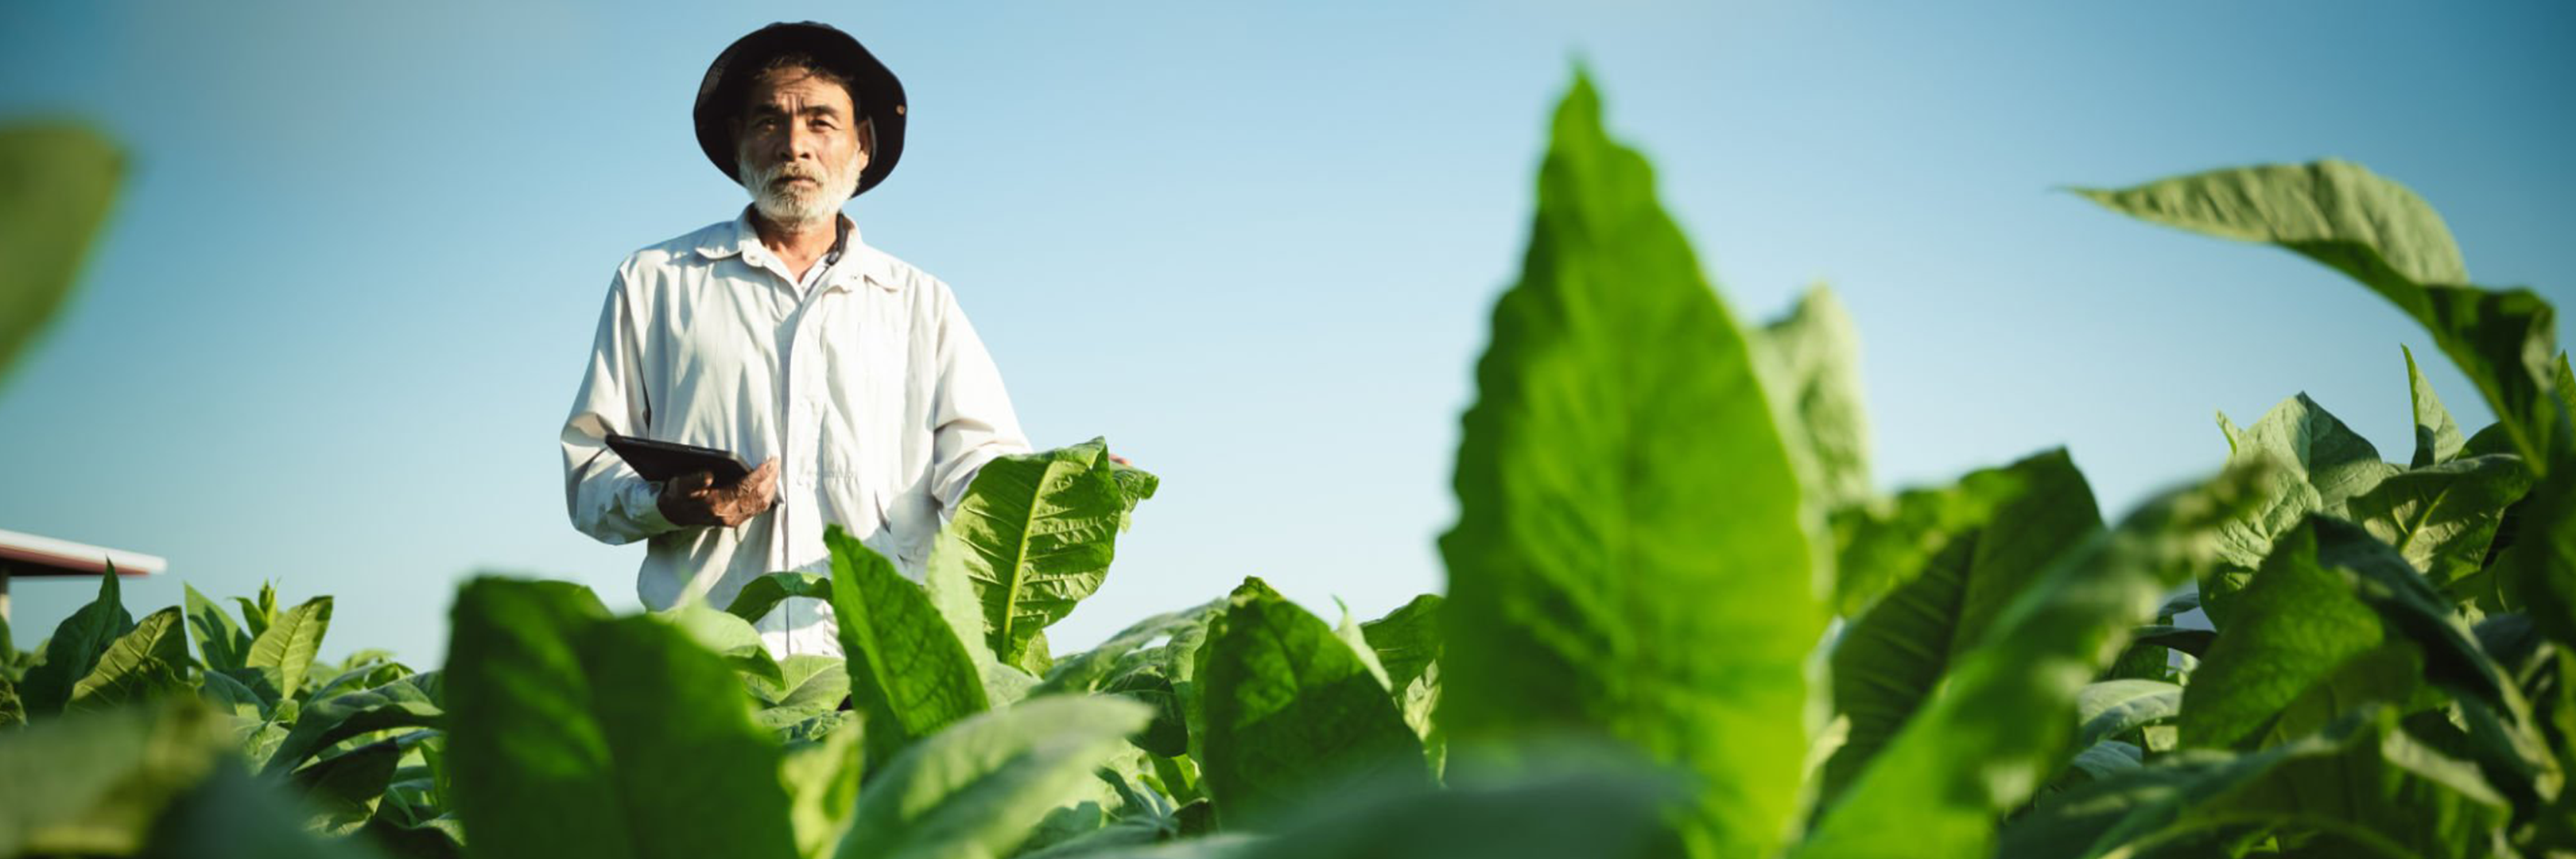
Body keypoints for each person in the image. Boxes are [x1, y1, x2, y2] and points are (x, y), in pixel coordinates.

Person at [560, 21, 1029, 657]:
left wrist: (1058, 480)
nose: (794, 146)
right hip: (711, 664)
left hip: (879, 660)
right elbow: (590, 471)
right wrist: (668, 504)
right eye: (768, 122)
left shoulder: (920, 303)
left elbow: (978, 464)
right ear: (737, 141)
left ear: (862, 144)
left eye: (820, 122)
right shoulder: (656, 282)